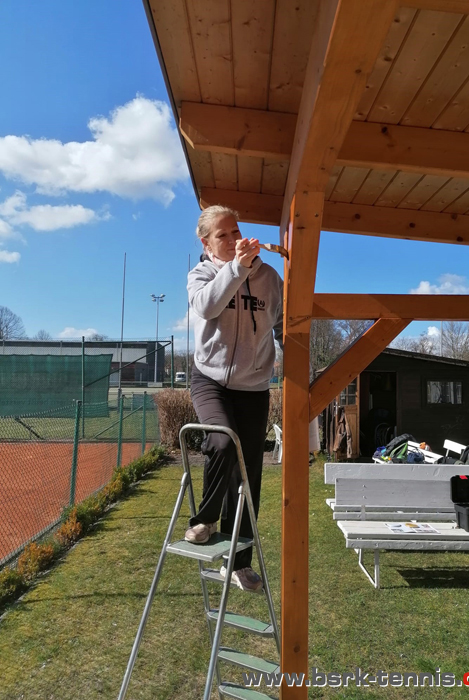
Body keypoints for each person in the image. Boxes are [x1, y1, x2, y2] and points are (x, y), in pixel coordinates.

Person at [184, 205, 283, 592]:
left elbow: (282, 321)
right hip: (210, 379)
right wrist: (237, 269)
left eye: (235, 231)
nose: (232, 239)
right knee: (223, 442)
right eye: (222, 235)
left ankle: (239, 563)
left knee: (248, 476)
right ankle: (205, 520)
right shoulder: (201, 275)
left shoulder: (269, 277)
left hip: (253, 387)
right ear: (206, 243)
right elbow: (208, 306)